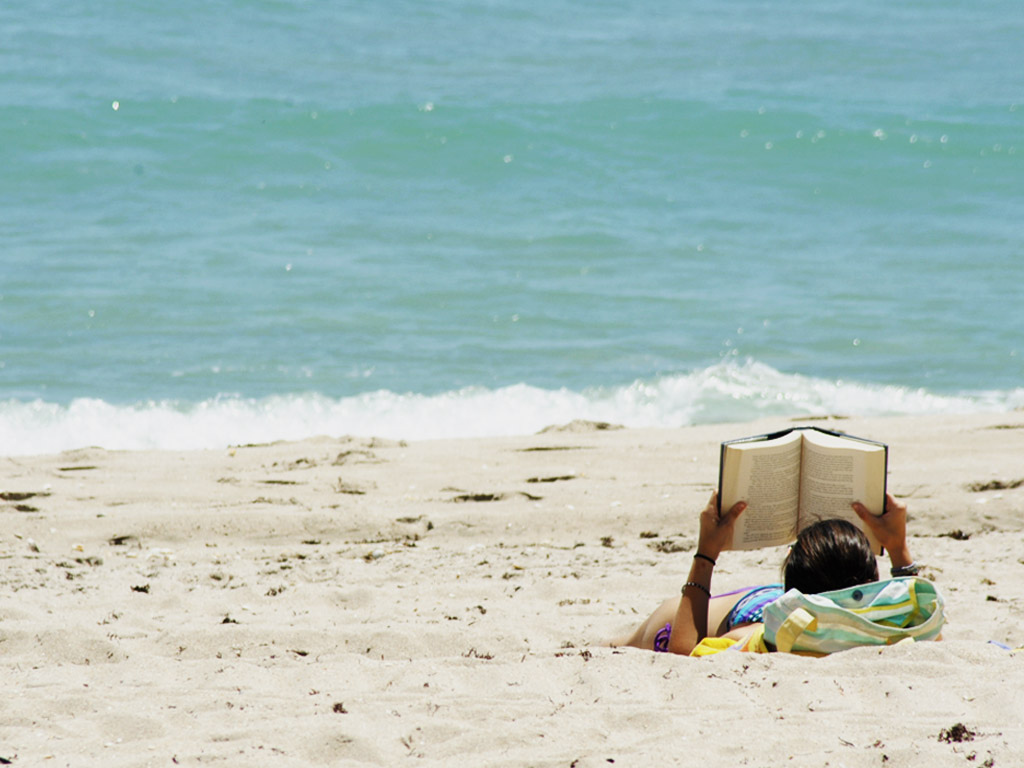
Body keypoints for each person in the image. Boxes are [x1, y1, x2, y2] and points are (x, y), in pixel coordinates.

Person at [610, 490, 919, 655]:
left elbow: (685, 653)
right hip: (755, 601)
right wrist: (898, 549)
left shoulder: (770, 634)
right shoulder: (881, 624)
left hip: (672, 625)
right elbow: (928, 627)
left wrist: (706, 553)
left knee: (613, 647)